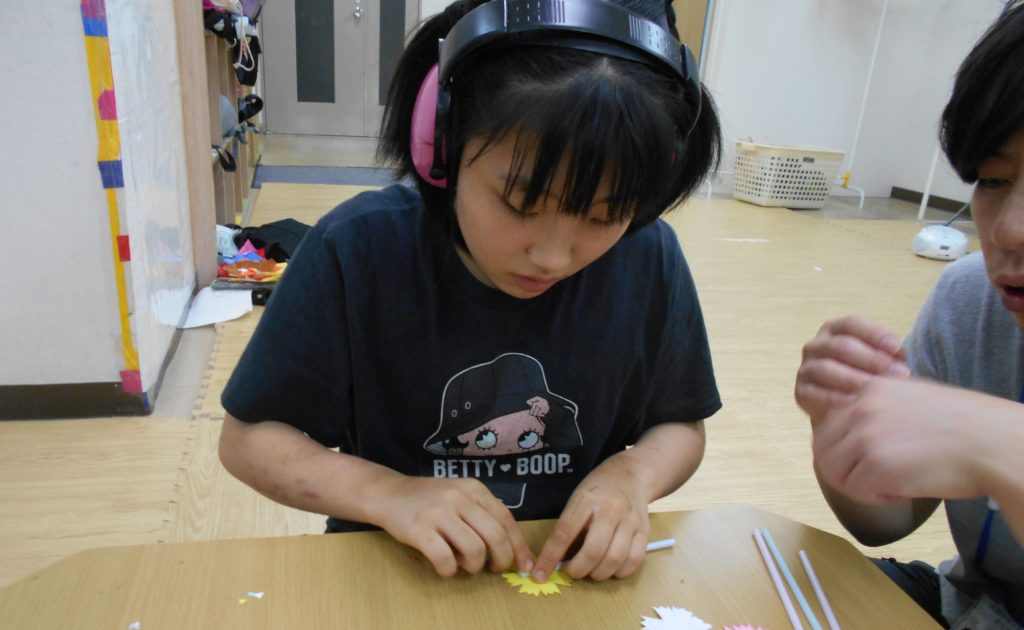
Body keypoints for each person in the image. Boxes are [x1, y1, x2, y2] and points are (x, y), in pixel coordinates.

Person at [218, 0, 722, 583]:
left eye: (605, 215)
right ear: (440, 144)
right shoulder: (357, 250)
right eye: (520, 203)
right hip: (396, 570)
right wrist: (389, 493)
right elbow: (248, 440)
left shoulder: (648, 257)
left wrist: (633, 477)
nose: (553, 256)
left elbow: (680, 425)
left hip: (568, 576)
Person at [794, 3, 1024, 630]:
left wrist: (1000, 444)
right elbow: (884, 522)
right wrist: (844, 442)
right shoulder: (974, 300)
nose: (1008, 230)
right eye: (992, 180)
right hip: (976, 626)